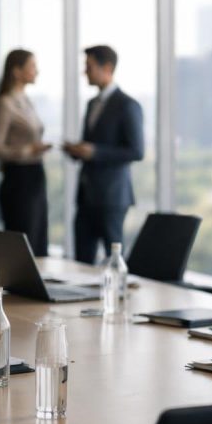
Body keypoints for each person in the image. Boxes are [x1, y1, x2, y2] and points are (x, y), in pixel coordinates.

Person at [64, 45, 144, 264]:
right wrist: (78, 151)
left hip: (112, 197)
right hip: (85, 196)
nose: (85, 72)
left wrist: (95, 152)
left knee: (114, 260)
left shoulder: (127, 105)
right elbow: (92, 145)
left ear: (107, 67)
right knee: (81, 262)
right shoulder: (91, 104)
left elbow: (137, 151)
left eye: (89, 66)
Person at [0, 49, 52, 256]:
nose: (37, 71)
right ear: (16, 71)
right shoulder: (5, 104)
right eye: (32, 66)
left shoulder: (26, 100)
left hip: (35, 177)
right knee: (25, 243)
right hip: (18, 181)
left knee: (39, 240)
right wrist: (27, 150)